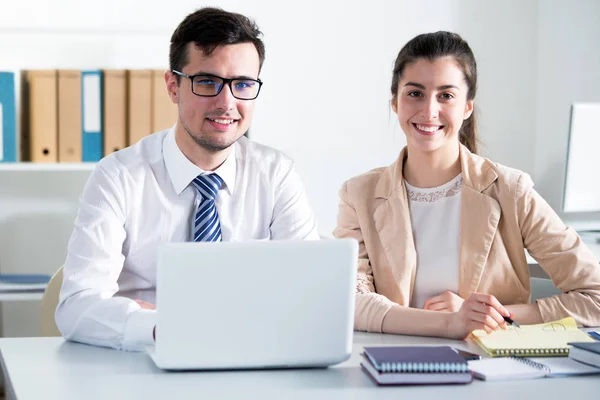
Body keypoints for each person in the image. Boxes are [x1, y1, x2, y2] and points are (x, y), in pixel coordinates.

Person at [56, 7, 319, 351]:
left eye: (242, 84)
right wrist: (161, 326)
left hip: (248, 356)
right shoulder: (118, 177)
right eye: (207, 82)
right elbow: (76, 307)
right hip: (142, 360)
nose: (227, 103)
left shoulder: (277, 174)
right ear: (173, 86)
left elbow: (312, 291)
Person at [333, 31, 600, 340]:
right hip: (393, 365)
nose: (429, 111)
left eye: (446, 95)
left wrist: (495, 315)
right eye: (415, 93)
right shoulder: (358, 195)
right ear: (395, 102)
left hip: (491, 372)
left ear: (467, 108)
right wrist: (451, 324)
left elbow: (594, 296)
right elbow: (349, 302)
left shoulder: (511, 190)